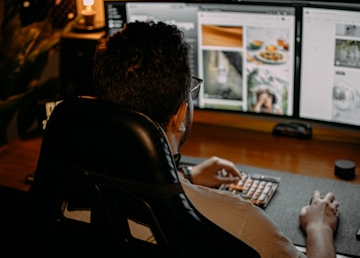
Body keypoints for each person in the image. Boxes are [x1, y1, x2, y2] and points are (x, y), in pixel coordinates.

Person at [92, 21, 339, 258]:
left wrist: (186, 177)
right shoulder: (241, 223)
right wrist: (320, 227)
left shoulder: (73, 195)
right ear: (180, 116)